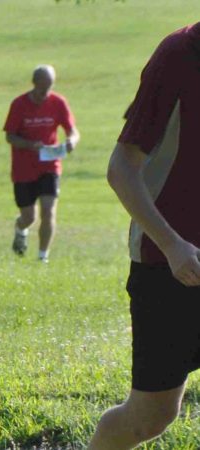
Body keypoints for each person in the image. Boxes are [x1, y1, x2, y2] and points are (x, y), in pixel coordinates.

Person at [87, 23, 200, 450]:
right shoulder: (178, 56)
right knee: (148, 418)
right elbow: (121, 169)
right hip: (172, 266)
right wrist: (172, 245)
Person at [3, 65, 80, 263]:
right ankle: (20, 229)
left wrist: (71, 141)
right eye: (41, 86)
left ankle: (42, 257)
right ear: (34, 83)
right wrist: (30, 145)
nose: (45, 91)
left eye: (49, 86)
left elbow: (72, 130)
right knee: (29, 217)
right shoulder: (19, 104)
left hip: (49, 165)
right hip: (23, 168)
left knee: (48, 210)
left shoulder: (58, 102)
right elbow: (10, 136)